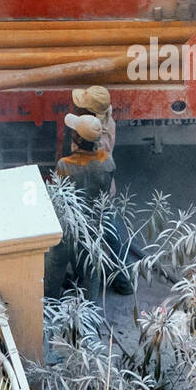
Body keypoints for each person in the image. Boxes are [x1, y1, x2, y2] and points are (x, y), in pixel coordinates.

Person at [53, 113, 132, 296]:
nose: (71, 133)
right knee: (116, 242)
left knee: (56, 258)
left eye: (74, 132)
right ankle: (125, 283)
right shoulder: (107, 160)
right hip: (101, 212)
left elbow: (60, 196)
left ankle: (53, 298)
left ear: (78, 139)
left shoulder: (65, 164)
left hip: (78, 219)